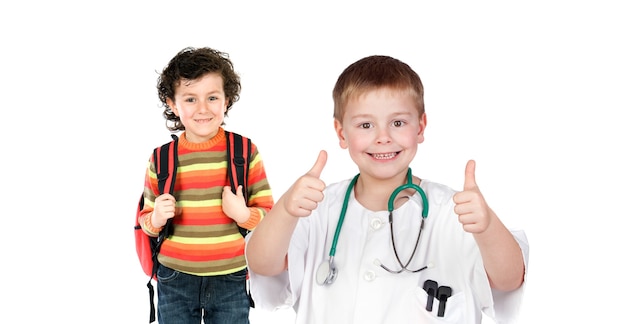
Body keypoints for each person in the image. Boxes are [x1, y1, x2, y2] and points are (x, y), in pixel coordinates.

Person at [245, 55, 528, 323]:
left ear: (420, 127)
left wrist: (487, 227)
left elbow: (509, 280)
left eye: (398, 123)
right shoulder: (316, 209)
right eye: (366, 124)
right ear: (341, 133)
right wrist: (284, 209)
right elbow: (263, 264)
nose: (383, 138)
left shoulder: (455, 212)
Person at [138, 46, 274, 324]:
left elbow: (270, 219)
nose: (202, 109)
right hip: (174, 277)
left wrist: (243, 215)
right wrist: (157, 217)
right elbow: (146, 223)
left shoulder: (245, 152)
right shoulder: (161, 158)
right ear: (173, 105)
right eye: (190, 99)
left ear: (226, 101)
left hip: (231, 276)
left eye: (212, 97)